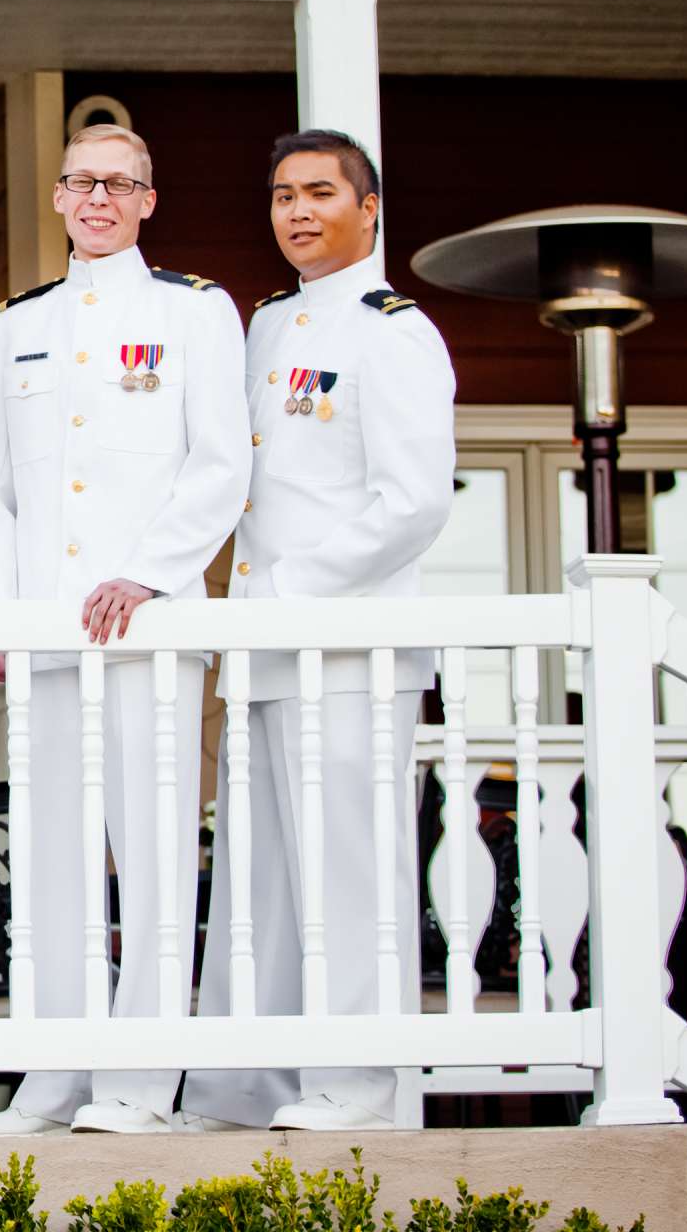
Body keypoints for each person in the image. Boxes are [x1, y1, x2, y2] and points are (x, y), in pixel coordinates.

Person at [0, 124, 248, 1136]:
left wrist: (152, 574)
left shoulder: (196, 312)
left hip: (150, 631)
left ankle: (137, 1083)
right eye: (82, 181)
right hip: (46, 634)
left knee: (154, 853)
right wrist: (6, 610)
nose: (98, 199)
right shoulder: (18, 323)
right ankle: (54, 1079)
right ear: (56, 195)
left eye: (120, 184)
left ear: (148, 201)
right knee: (53, 861)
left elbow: (221, 464)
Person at [182, 128, 456, 1132]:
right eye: (283, 195)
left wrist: (291, 589)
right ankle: (240, 1087)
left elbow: (413, 501)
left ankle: (356, 1086)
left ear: (369, 207)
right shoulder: (264, 330)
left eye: (320, 193)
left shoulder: (392, 333)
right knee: (256, 871)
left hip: (347, 645)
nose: (298, 211)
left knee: (349, 869)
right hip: (262, 650)